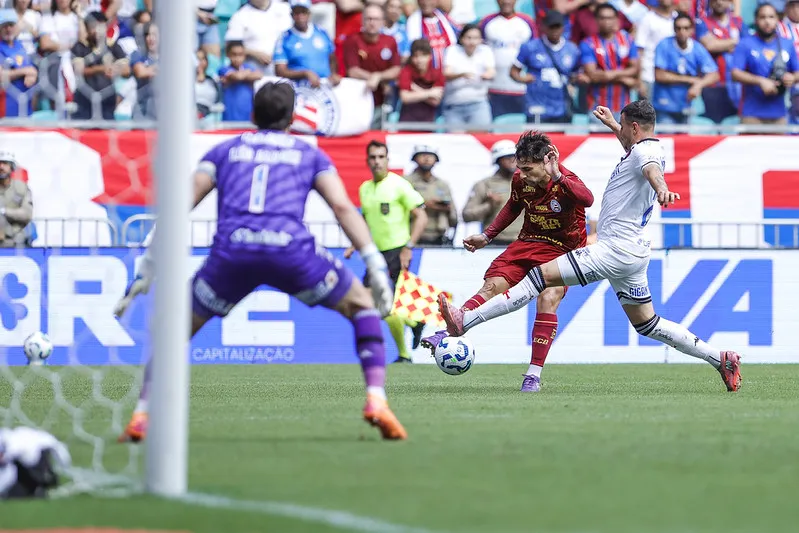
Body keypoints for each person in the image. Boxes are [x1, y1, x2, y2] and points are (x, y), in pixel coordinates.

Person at [115, 82, 408, 443]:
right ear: (294, 118)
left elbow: (180, 204)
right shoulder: (309, 153)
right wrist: (374, 262)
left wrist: (148, 266)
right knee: (362, 306)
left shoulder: (223, 151)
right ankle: (377, 400)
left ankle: (143, 414)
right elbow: (342, 207)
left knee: (176, 331)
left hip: (233, 253)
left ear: (252, 115)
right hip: (291, 252)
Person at [437, 100, 742, 393]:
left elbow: (651, 171)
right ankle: (720, 358)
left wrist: (661, 188)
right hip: (634, 253)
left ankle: (467, 320)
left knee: (538, 278)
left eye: (622, 126)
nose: (620, 131)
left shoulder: (645, 155)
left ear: (634, 127)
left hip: (613, 250)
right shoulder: (648, 147)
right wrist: (612, 126)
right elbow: (637, 154)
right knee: (648, 324)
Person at [421, 131, 594, 392]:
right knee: (492, 285)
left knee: (548, 297)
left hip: (562, 250)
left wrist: (558, 174)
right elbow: (513, 207)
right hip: (529, 242)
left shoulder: (566, 180)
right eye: (519, 167)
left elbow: (588, 199)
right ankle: (451, 328)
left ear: (547, 160)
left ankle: (533, 375)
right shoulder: (519, 180)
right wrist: (487, 235)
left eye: (527, 168)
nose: (522, 174)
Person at [344, 141, 429, 362]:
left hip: (396, 251)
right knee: (373, 303)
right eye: (373, 157)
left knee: (384, 304)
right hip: (375, 254)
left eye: (381, 157)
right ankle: (414, 322)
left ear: (388, 160)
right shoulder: (365, 188)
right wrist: (355, 243)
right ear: (367, 161)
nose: (377, 161)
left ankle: (403, 354)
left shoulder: (399, 185)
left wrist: (409, 247)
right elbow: (366, 219)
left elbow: (421, 216)